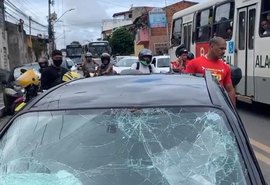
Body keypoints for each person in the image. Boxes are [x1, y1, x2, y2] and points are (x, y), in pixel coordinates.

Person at [184, 37, 236, 105]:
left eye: (224, 49)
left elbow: (230, 90)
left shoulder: (226, 67)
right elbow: (186, 86)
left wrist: (232, 110)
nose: (223, 51)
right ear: (212, 46)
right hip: (198, 103)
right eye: (221, 48)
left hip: (218, 105)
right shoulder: (194, 63)